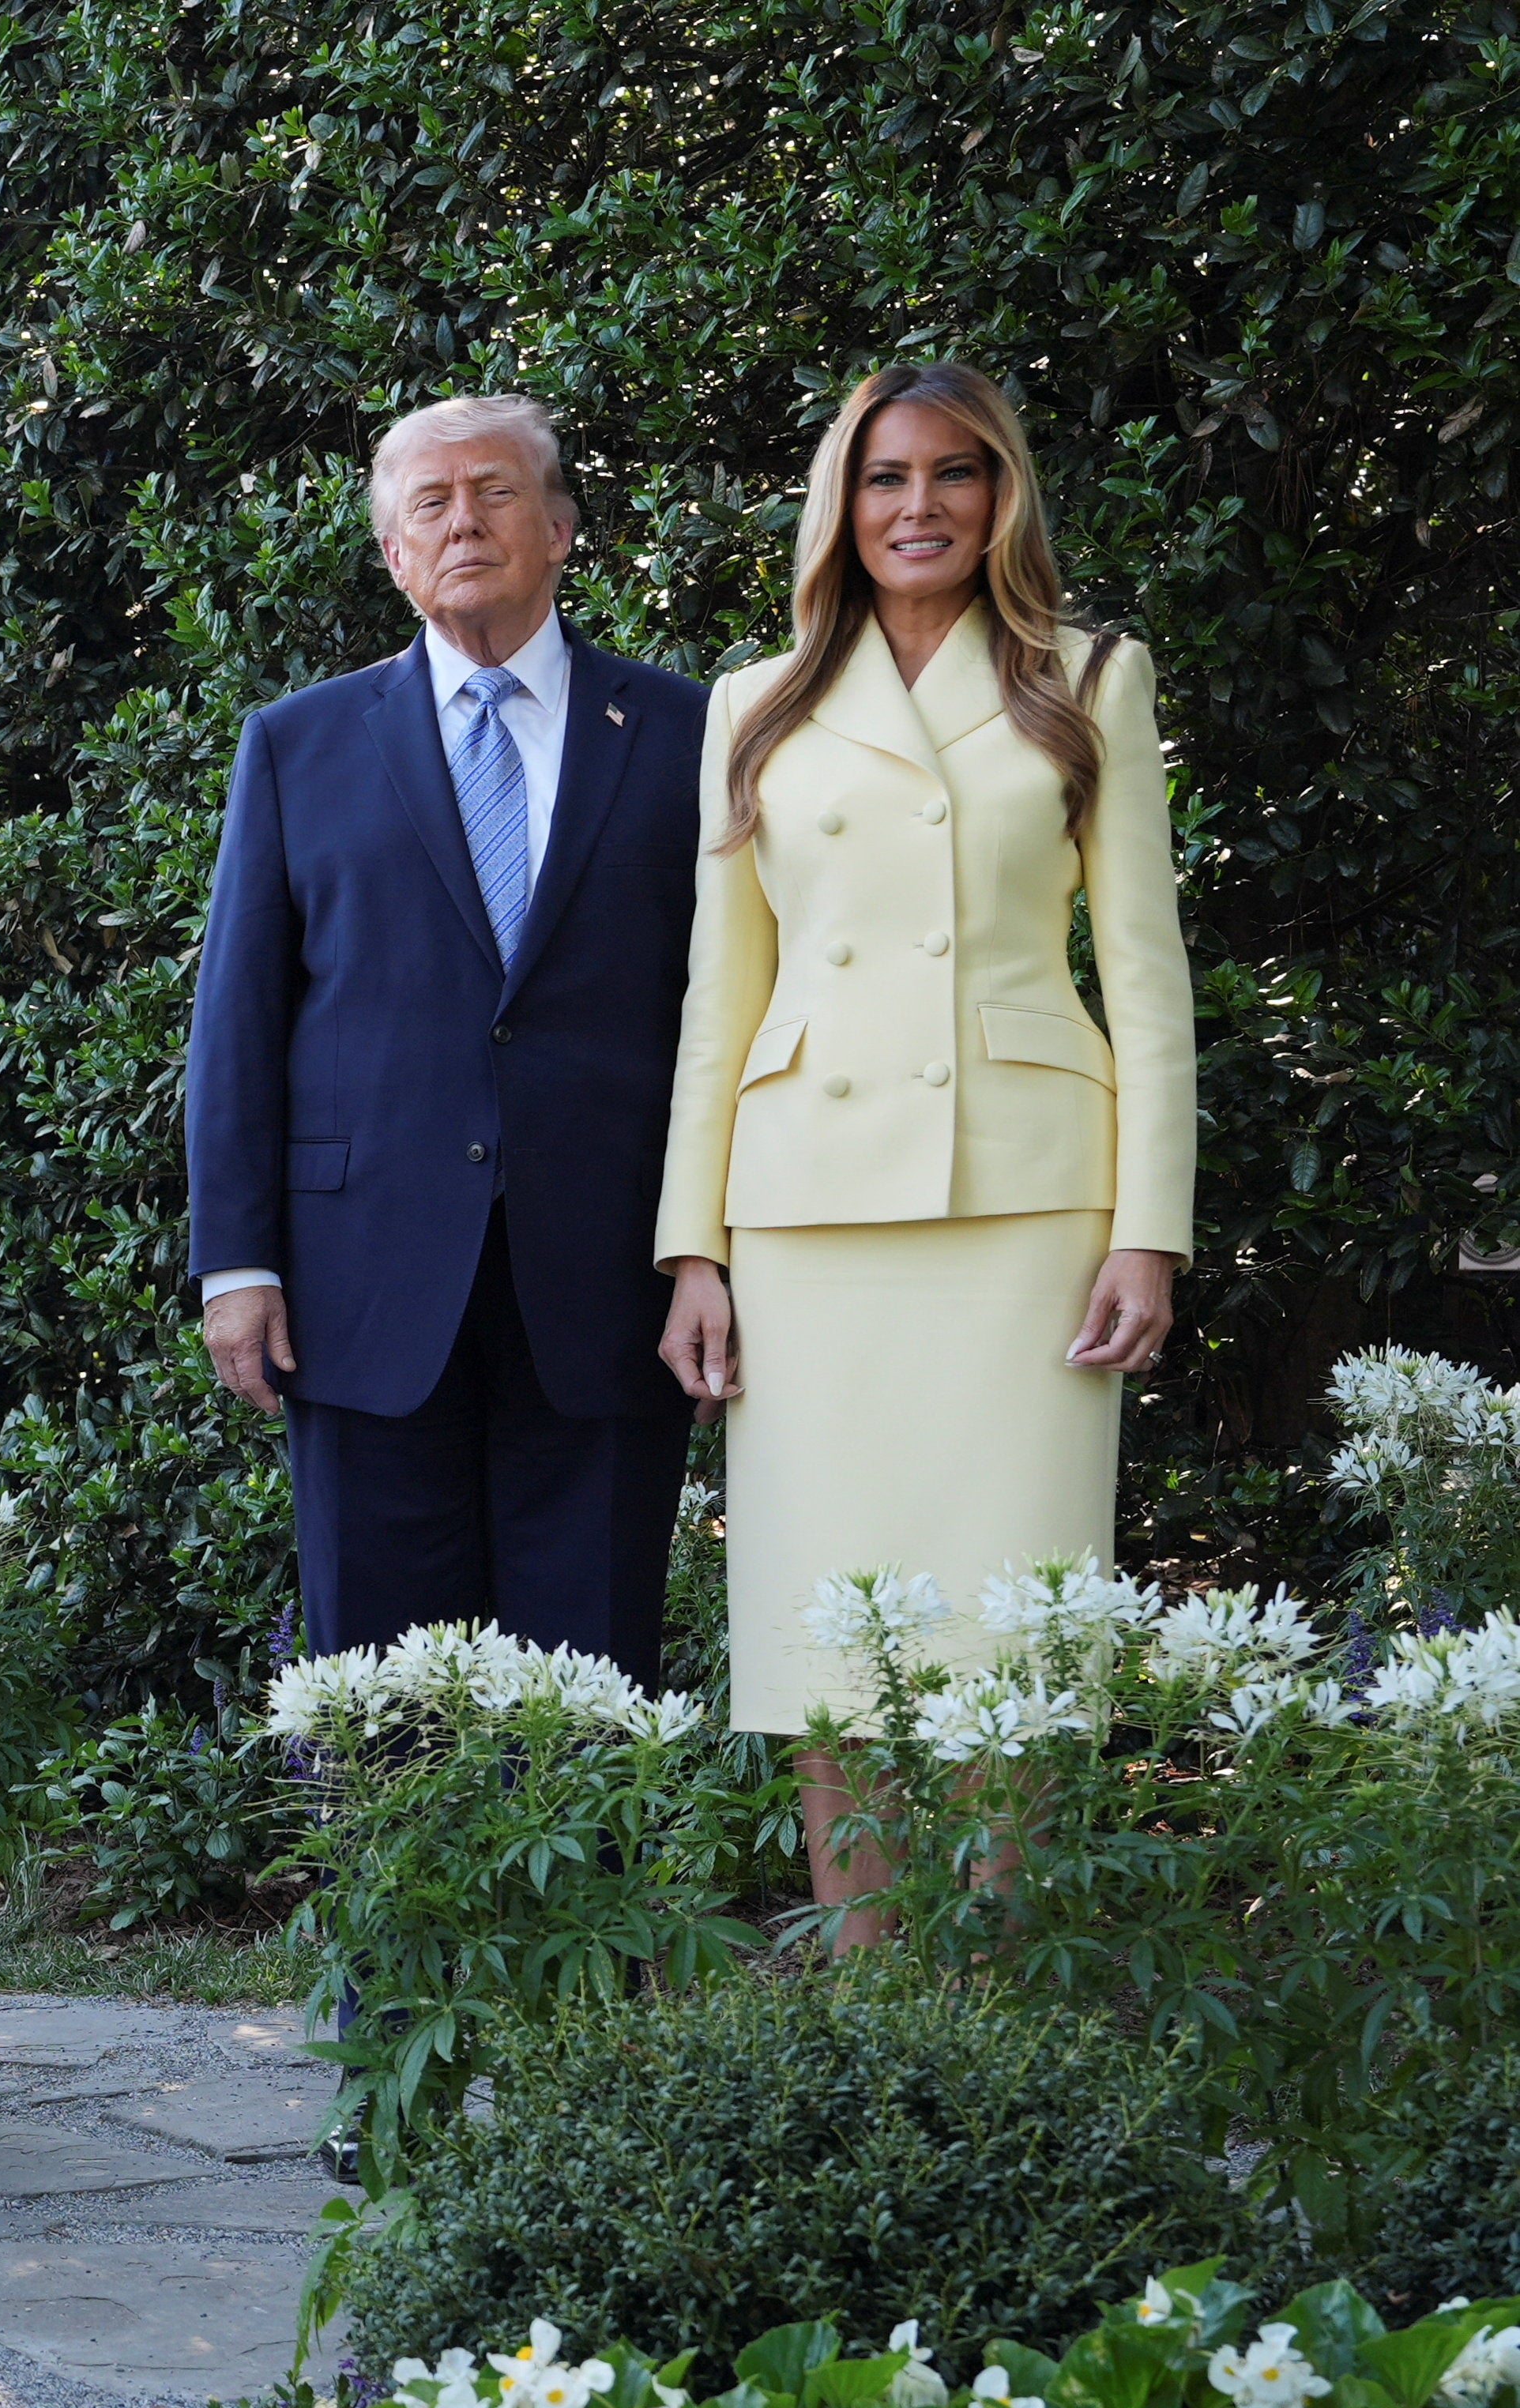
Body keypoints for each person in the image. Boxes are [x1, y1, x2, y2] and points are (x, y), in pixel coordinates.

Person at [653, 362, 1193, 1926]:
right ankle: (878, 1995)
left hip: (1026, 1206)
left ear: (999, 497)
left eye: (955, 476)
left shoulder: (1088, 679)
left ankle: (1002, 2009)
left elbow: (1147, 982)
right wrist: (694, 1247)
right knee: (832, 1629)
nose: (920, 507)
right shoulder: (754, 703)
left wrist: (1146, 1228)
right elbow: (720, 995)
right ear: (844, 502)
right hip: (808, 1218)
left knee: (1009, 1636)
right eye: (887, 478)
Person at [186, 395, 711, 1687]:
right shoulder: (296, 745)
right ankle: (395, 1895)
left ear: (561, 528)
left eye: (492, 491)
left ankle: (578, 1894)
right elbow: (238, 1020)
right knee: (376, 1686)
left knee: (587, 1680)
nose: (461, 521)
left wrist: (714, 1247)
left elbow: (728, 1012)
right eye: (428, 503)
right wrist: (234, 1259)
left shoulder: (692, 735)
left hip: (607, 1276)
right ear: (391, 552)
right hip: (357, 1286)